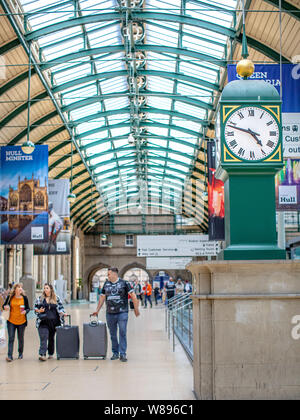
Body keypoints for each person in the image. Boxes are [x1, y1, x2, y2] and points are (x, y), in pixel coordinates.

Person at [92, 267, 140, 362]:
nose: (107, 276)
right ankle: (115, 352)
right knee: (113, 334)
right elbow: (102, 298)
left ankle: (122, 354)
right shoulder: (106, 284)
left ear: (114, 274)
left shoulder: (124, 283)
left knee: (122, 332)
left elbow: (133, 296)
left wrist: (136, 309)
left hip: (122, 312)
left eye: (109, 274)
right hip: (110, 313)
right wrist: (97, 310)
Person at [34, 283, 67, 361]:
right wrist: (39, 310)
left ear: (51, 289)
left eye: (47, 288)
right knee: (44, 337)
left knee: (51, 338)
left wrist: (63, 313)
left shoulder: (56, 298)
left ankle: (51, 353)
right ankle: (42, 354)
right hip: (43, 322)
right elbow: (35, 309)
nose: (45, 289)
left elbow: (61, 308)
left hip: (54, 322)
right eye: (44, 288)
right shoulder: (40, 299)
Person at [2, 283, 30, 362]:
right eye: (19, 287)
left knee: (20, 338)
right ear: (15, 289)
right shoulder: (10, 297)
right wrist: (5, 307)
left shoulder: (24, 298)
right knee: (11, 338)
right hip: (11, 321)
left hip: (22, 321)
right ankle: (9, 356)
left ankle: (20, 353)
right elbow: (3, 306)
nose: (20, 288)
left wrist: (25, 311)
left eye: (21, 287)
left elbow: (28, 308)